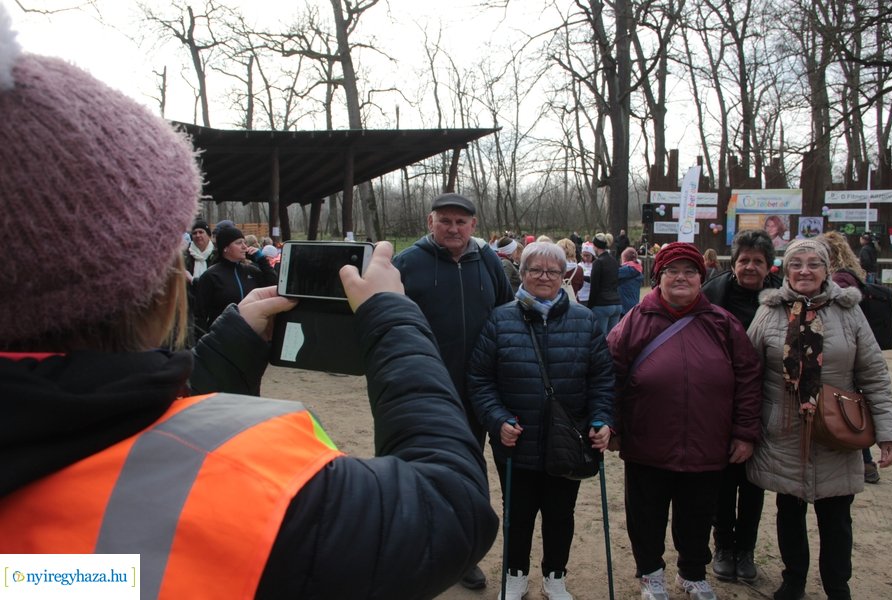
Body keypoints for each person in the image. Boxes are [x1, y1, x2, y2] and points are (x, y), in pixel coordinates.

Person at [0, 26, 497, 600]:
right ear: (157, 285)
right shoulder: (249, 482)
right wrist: (392, 315)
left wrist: (227, 345)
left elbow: (82, 415)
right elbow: (447, 510)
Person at [606, 242, 761, 600]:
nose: (681, 278)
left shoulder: (723, 323)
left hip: (708, 443)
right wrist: (613, 426)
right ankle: (650, 574)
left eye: (689, 272)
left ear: (700, 279)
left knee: (697, 514)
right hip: (648, 442)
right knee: (646, 515)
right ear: (658, 277)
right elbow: (609, 374)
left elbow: (749, 378)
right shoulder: (634, 321)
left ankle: (691, 573)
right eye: (671, 271)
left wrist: (744, 432)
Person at [746, 238, 892, 600]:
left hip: (837, 429)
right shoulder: (770, 311)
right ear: (785, 270)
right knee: (789, 509)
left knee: (836, 517)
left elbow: (874, 374)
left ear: (827, 269)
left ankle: (837, 585)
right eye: (796, 263)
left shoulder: (848, 311)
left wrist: (888, 434)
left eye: (813, 264)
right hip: (784, 429)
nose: (804, 270)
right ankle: (794, 579)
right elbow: (747, 372)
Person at [468, 242, 614, 600]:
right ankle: (515, 574)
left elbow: (602, 379)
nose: (544, 277)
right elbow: (480, 379)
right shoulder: (500, 319)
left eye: (552, 271)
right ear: (524, 273)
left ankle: (555, 576)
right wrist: (496, 419)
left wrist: (601, 418)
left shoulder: (585, 320)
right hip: (517, 438)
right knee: (517, 514)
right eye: (535, 270)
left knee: (560, 513)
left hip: (569, 437)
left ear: (564, 274)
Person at [393, 192, 514, 590]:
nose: (453, 228)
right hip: (425, 390)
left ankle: (463, 555)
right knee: (423, 472)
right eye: (445, 220)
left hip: (479, 391)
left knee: (469, 473)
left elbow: (505, 316)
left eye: (461, 222)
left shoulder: (489, 262)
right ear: (430, 222)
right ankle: (419, 552)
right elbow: (387, 321)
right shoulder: (407, 264)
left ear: (474, 226)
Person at [701, 229, 781, 583]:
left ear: (769, 267)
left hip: (766, 402)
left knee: (753, 482)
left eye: (757, 262)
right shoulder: (712, 295)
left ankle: (746, 548)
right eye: (744, 260)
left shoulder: (782, 300)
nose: (750, 267)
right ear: (733, 264)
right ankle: (723, 546)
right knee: (722, 479)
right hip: (720, 403)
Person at [819, 231, 882, 483]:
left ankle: (865, 462)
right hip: (849, 352)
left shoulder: (841, 281)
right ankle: (866, 462)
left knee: (845, 409)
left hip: (844, 354)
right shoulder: (850, 275)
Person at [194, 225, 278, 333]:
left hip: (251, 336)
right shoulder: (211, 276)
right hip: (221, 339)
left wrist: (262, 261)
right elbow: (199, 315)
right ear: (225, 248)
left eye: (245, 243)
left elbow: (273, 286)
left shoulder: (251, 271)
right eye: (239, 243)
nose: (245, 247)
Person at [183, 218, 219, 344]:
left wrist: (192, 280)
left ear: (208, 235)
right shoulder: (185, 257)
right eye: (194, 233)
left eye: (201, 232)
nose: (198, 235)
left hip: (213, 308)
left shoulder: (217, 256)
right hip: (190, 309)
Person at [587, 234, 621, 335]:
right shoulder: (614, 261)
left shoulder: (598, 262)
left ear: (595, 246)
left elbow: (595, 287)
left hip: (602, 304)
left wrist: (590, 306)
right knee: (612, 339)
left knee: (600, 338)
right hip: (616, 303)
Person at [617, 246, 643, 317]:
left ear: (625, 258)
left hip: (624, 308)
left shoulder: (626, 270)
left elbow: (612, 274)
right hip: (634, 306)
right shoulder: (637, 269)